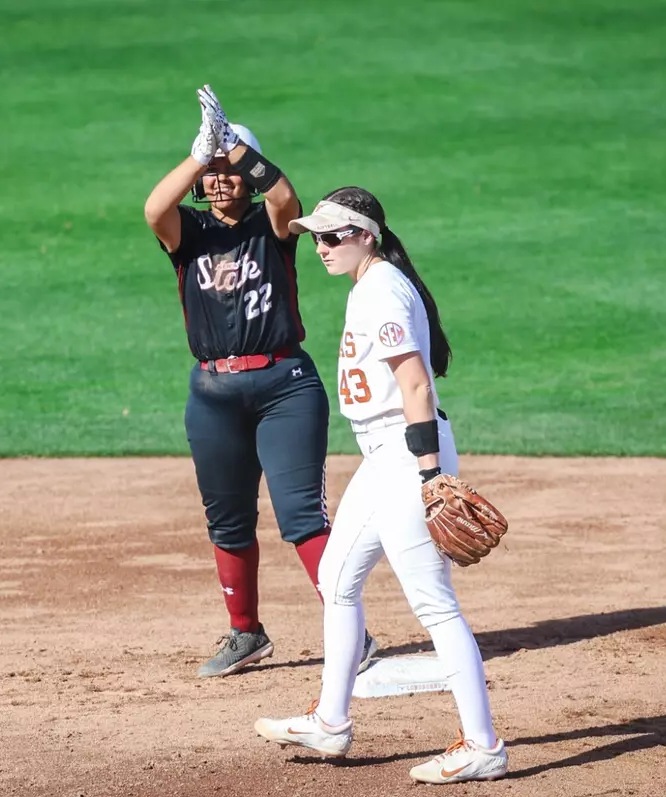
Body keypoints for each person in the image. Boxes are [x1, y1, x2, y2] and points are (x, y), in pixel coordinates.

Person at [253, 187, 507, 783]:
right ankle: (330, 721)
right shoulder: (373, 284)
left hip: (405, 453)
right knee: (337, 577)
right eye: (317, 235)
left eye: (335, 235)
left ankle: (482, 745)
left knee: (434, 605)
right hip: (384, 457)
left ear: (367, 234)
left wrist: (428, 474)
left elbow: (415, 386)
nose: (322, 246)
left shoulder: (383, 289)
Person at [142, 88, 377, 678]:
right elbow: (152, 209)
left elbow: (286, 196)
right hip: (213, 396)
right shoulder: (188, 233)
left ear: (248, 173)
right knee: (227, 520)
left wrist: (237, 149)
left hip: (283, 386)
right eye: (212, 173)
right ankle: (245, 633)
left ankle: (357, 637)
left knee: (300, 516)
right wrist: (202, 152)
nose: (220, 180)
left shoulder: (275, 228)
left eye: (230, 170)